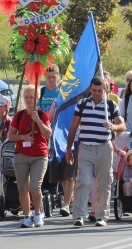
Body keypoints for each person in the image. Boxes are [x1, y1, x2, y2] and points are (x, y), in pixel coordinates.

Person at [66, 76, 126, 227]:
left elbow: (122, 125)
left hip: (104, 147)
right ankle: (79, 216)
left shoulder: (111, 105)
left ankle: (102, 216)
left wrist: (113, 127)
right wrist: (68, 149)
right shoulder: (82, 104)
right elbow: (73, 127)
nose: (96, 93)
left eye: (99, 90)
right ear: (90, 89)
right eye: (93, 90)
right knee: (83, 181)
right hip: (85, 147)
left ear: (105, 89)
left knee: (105, 183)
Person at [8, 85, 52, 228]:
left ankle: (38, 213)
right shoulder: (19, 115)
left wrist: (38, 121)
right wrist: (23, 137)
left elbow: (48, 134)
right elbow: (11, 136)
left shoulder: (42, 114)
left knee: (35, 186)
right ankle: (27, 216)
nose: (28, 100)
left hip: (39, 155)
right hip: (21, 155)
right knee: (22, 188)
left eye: (31, 97)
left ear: (37, 98)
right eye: (26, 97)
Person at [44, 64, 74, 217]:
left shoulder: (77, 103)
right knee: (62, 175)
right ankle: (70, 199)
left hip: (73, 141)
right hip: (57, 141)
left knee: (69, 174)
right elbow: (48, 120)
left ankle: (67, 204)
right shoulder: (56, 103)